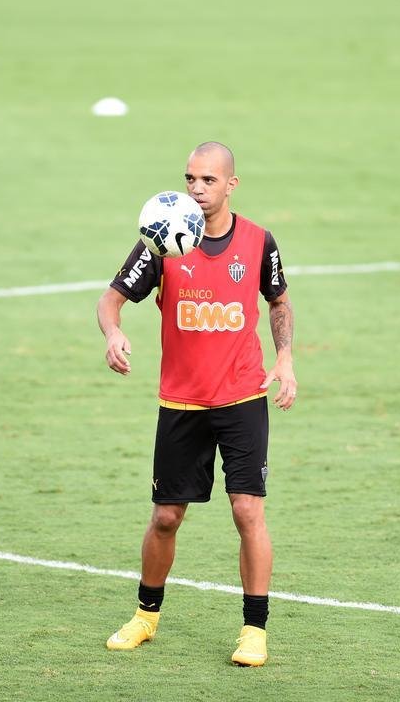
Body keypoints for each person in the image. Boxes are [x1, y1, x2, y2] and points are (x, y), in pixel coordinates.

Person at [97, 141, 297, 667]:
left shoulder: (258, 241)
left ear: (231, 184)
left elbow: (277, 300)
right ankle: (146, 616)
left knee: (247, 509)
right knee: (165, 517)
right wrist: (113, 333)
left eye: (208, 180)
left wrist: (287, 360)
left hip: (242, 397)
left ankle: (254, 630)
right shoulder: (161, 240)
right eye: (190, 178)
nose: (197, 189)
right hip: (181, 401)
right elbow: (110, 299)